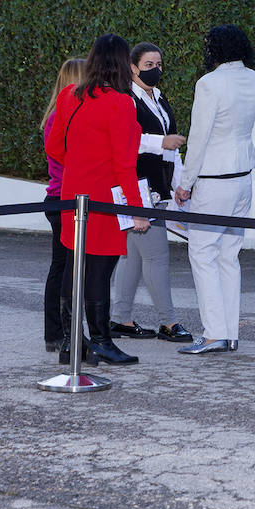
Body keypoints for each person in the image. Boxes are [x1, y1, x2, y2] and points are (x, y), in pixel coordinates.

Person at [44, 34, 149, 367]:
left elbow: (54, 148)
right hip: (104, 199)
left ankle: (74, 343)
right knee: (99, 273)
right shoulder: (120, 102)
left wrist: (81, 162)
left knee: (76, 270)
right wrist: (136, 210)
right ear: (122, 64)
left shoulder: (68, 95)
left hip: (73, 196)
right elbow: (124, 165)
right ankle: (101, 341)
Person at [176, 25, 255, 355]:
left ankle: (214, 333)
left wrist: (185, 183)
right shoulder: (252, 78)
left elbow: (199, 137)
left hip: (215, 180)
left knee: (202, 253)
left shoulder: (209, 83)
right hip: (242, 179)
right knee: (228, 255)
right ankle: (230, 332)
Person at [109, 42, 193, 344]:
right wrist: (161, 142)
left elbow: (173, 150)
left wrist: (181, 184)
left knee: (133, 256)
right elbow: (125, 139)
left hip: (157, 185)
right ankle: (168, 322)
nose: (155, 70)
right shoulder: (124, 98)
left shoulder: (159, 97)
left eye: (159, 64)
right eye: (148, 65)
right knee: (156, 256)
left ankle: (120, 318)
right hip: (135, 186)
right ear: (133, 67)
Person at [40, 57, 84, 353]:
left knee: (65, 266)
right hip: (64, 199)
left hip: (65, 199)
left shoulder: (57, 115)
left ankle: (61, 332)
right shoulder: (62, 117)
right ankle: (59, 332)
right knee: (64, 267)